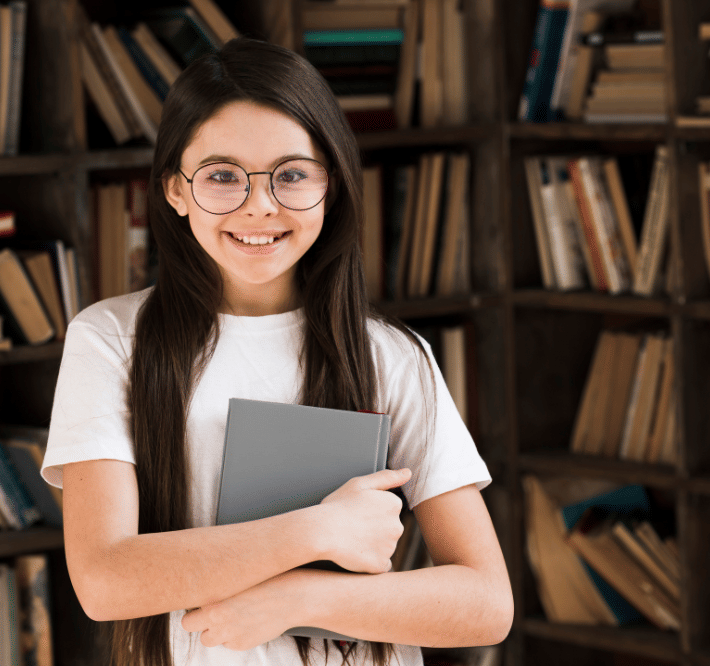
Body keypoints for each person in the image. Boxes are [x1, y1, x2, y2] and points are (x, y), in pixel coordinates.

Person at [40, 37, 512, 666]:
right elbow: (104, 581)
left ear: (332, 185)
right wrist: (317, 530)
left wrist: (295, 599)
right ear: (175, 192)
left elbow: (486, 604)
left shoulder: (392, 355)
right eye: (221, 176)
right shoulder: (110, 340)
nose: (259, 205)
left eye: (291, 174)